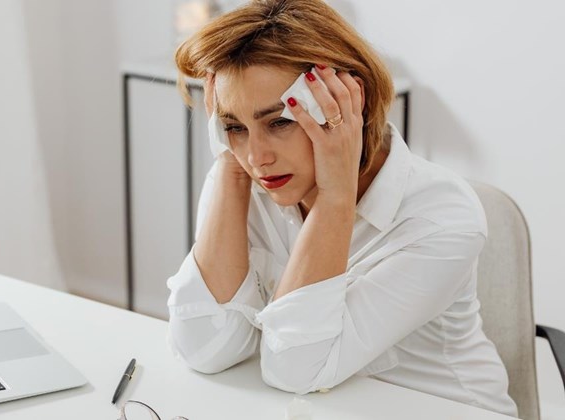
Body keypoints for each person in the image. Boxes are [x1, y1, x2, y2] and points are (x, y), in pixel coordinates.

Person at [165, 0, 518, 417]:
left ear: (346, 101)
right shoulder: (242, 177)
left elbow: (294, 370)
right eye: (234, 126)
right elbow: (203, 349)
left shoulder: (441, 218)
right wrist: (229, 166)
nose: (256, 157)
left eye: (279, 122)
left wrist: (335, 197)